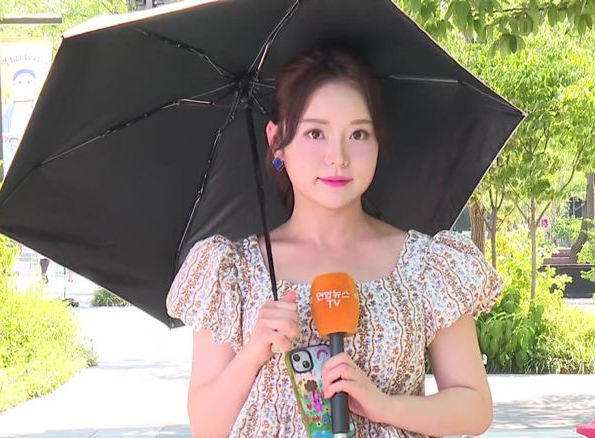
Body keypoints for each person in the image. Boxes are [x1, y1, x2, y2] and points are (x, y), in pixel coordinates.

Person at [166, 48, 503, 438]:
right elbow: (206, 426)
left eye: (358, 134)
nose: (338, 157)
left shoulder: (427, 266)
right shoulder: (232, 271)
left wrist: (385, 406)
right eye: (315, 133)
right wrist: (254, 351)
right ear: (276, 140)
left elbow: (474, 408)